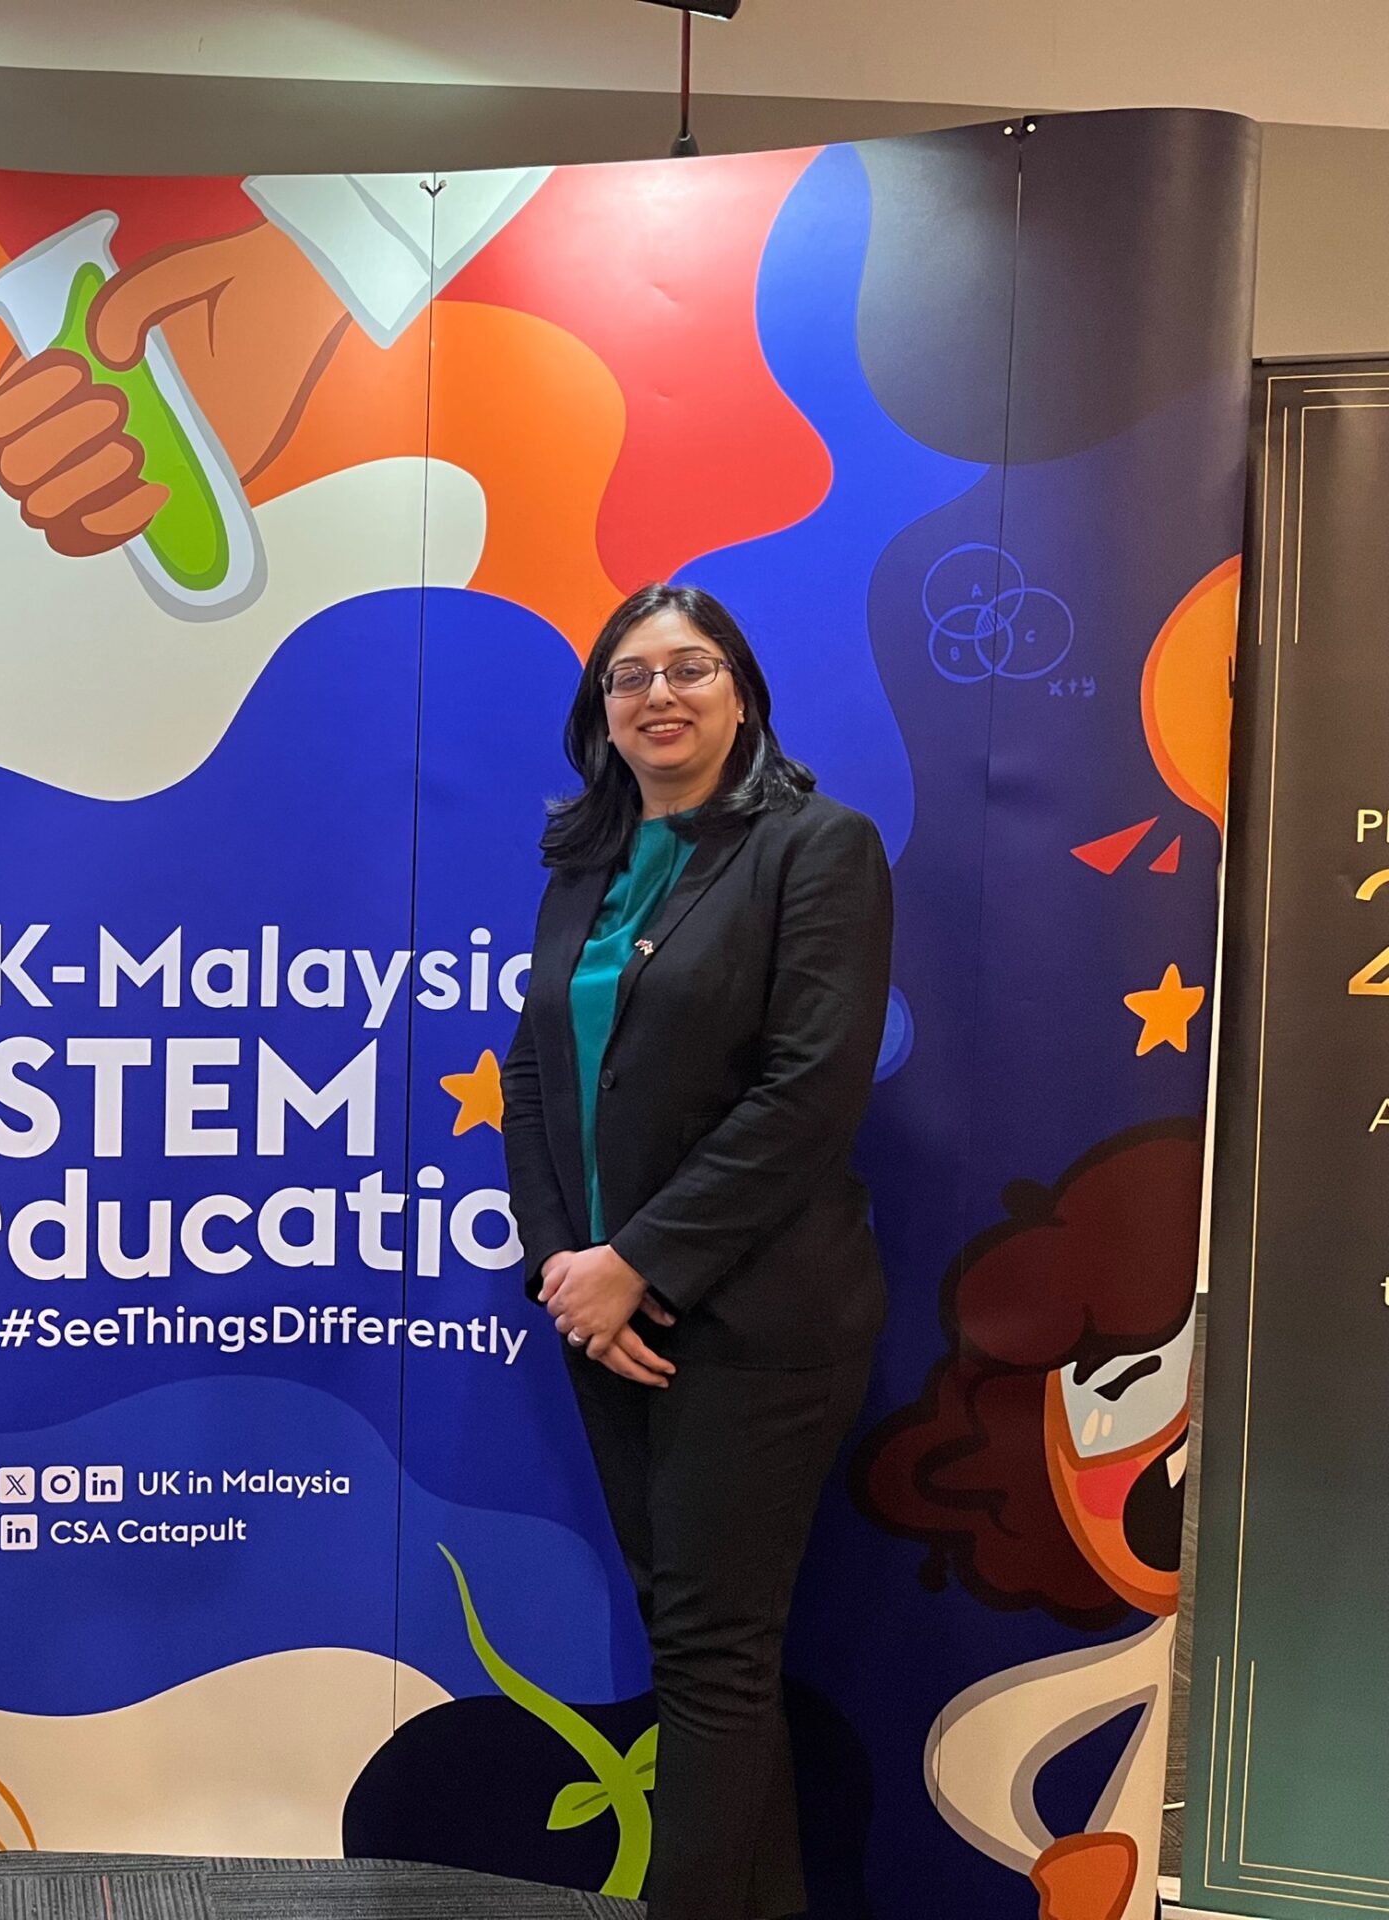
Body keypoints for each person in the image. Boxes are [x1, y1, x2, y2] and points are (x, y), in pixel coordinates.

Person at [500, 582, 894, 1920]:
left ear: (741, 695)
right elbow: (530, 1080)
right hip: (602, 1318)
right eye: (630, 677)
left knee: (714, 1658)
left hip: (757, 1319)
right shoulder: (585, 869)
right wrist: (569, 1270)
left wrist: (642, 1265)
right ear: (601, 715)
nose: (659, 695)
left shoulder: (816, 849)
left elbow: (808, 1093)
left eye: (691, 668)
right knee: (697, 1645)